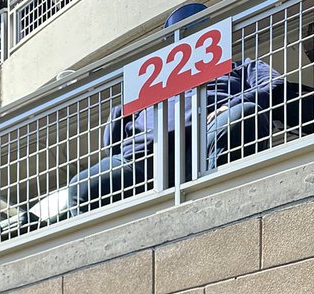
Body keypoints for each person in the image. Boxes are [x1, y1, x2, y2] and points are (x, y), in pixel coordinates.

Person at [67, 4, 282, 216]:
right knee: (80, 187)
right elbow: (112, 140)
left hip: (206, 141)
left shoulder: (239, 68)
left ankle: (222, 213)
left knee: (244, 113)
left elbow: (273, 84)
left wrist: (230, 105)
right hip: (144, 157)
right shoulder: (150, 82)